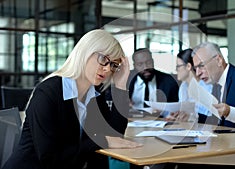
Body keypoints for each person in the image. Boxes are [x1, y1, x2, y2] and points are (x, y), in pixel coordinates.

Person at [2, 29, 142, 169]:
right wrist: (101, 141)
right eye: (103, 59)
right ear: (85, 52)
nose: (107, 69)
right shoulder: (48, 93)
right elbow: (50, 159)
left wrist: (121, 86)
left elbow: (114, 136)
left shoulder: (94, 95)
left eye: (113, 65)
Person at [128, 48, 179, 117]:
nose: (145, 67)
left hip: (161, 121)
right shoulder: (126, 80)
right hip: (132, 120)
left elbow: (176, 107)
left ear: (153, 62)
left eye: (148, 63)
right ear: (134, 66)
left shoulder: (169, 81)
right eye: (140, 64)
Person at [171, 48, 212, 122]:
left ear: (188, 66)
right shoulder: (183, 87)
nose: (176, 70)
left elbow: (209, 117)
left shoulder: (207, 87)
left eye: (178, 66)